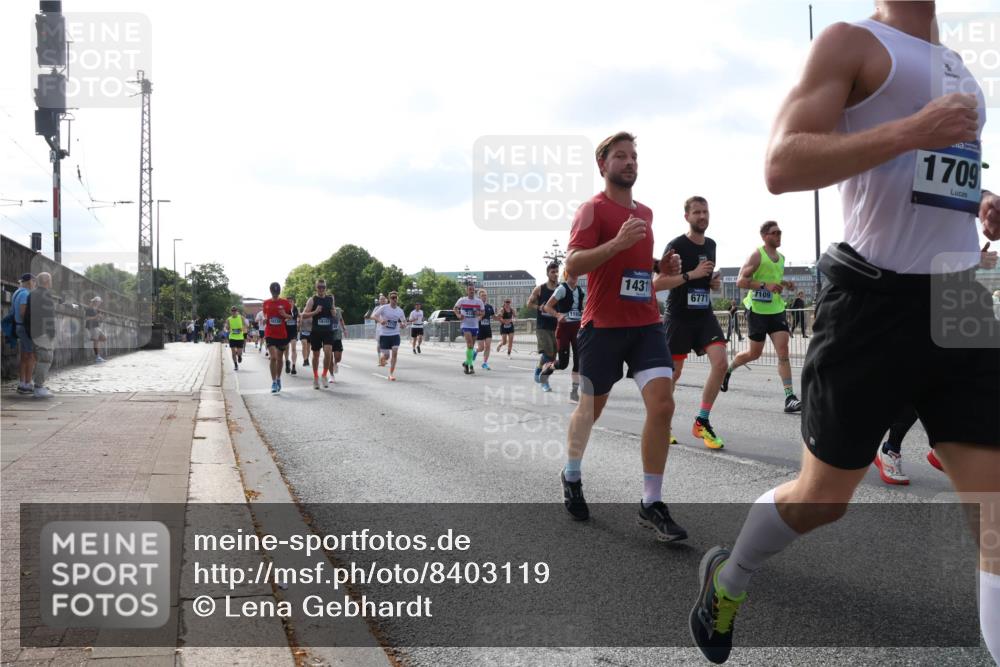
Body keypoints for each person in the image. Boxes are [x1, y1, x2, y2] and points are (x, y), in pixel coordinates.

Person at [689, 4, 1000, 663]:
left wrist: (978, 204)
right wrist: (913, 129)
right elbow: (782, 163)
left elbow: (926, 181)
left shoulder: (963, 71)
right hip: (872, 300)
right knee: (823, 499)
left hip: (959, 298)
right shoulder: (849, 41)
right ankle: (730, 575)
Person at [560, 131, 685, 543]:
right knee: (589, 411)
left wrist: (658, 263)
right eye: (620, 156)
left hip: (646, 322)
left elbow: (638, 265)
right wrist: (617, 242)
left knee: (663, 404)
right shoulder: (591, 211)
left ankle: (651, 502)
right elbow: (572, 267)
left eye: (633, 156)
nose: (630, 162)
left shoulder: (645, 213)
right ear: (603, 165)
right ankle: (572, 474)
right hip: (603, 327)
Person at [658, 196, 727, 450]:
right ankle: (661, 423)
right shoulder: (676, 245)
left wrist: (711, 282)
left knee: (721, 363)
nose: (702, 216)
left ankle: (702, 421)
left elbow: (704, 281)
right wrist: (692, 275)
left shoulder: (711, 245)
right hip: (679, 318)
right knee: (673, 374)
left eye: (705, 211)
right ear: (686, 216)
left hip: (704, 316)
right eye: (697, 212)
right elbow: (658, 283)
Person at [720, 221, 802, 413]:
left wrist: (784, 283)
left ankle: (790, 397)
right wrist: (765, 286)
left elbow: (773, 280)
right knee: (754, 353)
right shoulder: (757, 255)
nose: (779, 235)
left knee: (783, 351)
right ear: (765, 236)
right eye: (775, 233)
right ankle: (728, 370)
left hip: (776, 309)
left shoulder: (781, 258)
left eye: (780, 232)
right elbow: (741, 281)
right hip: (756, 310)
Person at [543, 269, 586, 402]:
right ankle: (548, 368)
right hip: (564, 329)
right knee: (563, 364)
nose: (574, 276)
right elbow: (547, 307)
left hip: (577, 328)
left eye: (576, 274)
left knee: (579, 362)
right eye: (572, 274)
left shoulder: (580, 290)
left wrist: (584, 313)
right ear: (567, 275)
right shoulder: (561, 289)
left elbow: (580, 308)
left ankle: (574, 392)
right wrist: (557, 315)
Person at [528, 262, 560, 391]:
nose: (555, 274)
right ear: (548, 273)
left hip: (556, 326)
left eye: (557, 271)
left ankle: (538, 370)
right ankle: (544, 382)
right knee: (548, 353)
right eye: (553, 271)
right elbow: (529, 303)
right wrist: (538, 307)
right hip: (542, 326)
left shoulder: (561, 288)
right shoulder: (540, 289)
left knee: (552, 356)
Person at [27, 272, 56, 398]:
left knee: (40, 358)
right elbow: (49, 316)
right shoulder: (46, 295)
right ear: (46, 282)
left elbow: (27, 315)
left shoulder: (32, 293)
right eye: (50, 280)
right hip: (43, 332)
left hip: (34, 331)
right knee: (45, 358)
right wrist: (51, 332)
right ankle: (38, 387)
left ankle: (39, 385)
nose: (51, 283)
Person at [303, 280, 337, 389]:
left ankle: (324, 375)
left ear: (326, 287)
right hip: (316, 332)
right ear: (316, 287)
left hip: (328, 331)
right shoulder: (312, 300)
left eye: (323, 287)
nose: (321, 289)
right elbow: (303, 315)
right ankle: (316, 377)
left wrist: (333, 312)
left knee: (328, 353)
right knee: (316, 356)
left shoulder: (330, 299)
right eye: (319, 287)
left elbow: (334, 313)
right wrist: (315, 312)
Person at [262, 282, 292, 393]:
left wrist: (285, 315)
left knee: (280, 359)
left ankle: (279, 378)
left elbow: (291, 317)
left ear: (279, 292)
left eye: (277, 292)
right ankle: (274, 382)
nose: (275, 294)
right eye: (274, 292)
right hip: (269, 333)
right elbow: (265, 315)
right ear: (271, 291)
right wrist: (265, 319)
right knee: (273, 357)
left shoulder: (285, 303)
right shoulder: (266, 303)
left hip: (281, 334)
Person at [372, 291, 407, 380]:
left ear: (397, 299)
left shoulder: (400, 310)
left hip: (395, 334)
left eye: (396, 297)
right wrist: (381, 321)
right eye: (392, 298)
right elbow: (374, 316)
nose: (394, 299)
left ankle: (391, 374)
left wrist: (403, 325)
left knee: (395, 353)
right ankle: (382, 359)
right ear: (389, 299)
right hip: (384, 334)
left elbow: (404, 321)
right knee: (387, 356)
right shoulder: (384, 308)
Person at [12, 273, 36, 394]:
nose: (35, 284)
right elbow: (23, 313)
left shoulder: (17, 292)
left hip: (18, 326)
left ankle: (22, 382)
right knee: (30, 355)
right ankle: (27, 383)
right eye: (34, 281)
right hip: (25, 328)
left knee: (24, 356)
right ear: (30, 281)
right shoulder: (25, 294)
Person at [453, 283, 485, 375]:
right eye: (470, 289)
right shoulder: (462, 300)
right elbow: (455, 308)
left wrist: (479, 316)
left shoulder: (479, 301)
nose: (471, 291)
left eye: (473, 289)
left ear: (474, 291)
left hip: (475, 326)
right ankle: (471, 366)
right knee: (470, 345)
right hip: (465, 325)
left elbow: (483, 313)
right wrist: (458, 315)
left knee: (470, 347)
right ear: (467, 291)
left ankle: (466, 363)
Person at [476, 288, 495, 370]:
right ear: (479, 297)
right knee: (481, 348)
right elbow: (475, 318)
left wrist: (501, 317)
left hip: (488, 329)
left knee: (488, 346)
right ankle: (475, 351)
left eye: (485, 296)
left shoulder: (489, 307)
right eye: (482, 296)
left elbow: (494, 317)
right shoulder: (477, 307)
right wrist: (480, 317)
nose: (484, 297)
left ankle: (485, 363)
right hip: (480, 329)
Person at [85, 296, 107, 362]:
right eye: (99, 302)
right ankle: (98, 357)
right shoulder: (89, 309)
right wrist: (96, 316)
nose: (100, 303)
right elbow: (87, 318)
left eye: (100, 302)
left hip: (97, 327)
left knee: (104, 338)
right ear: (96, 302)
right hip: (92, 327)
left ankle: (93, 339)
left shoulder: (96, 309)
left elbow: (98, 318)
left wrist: (100, 317)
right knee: (96, 342)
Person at [224, 306, 247, 371]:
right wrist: (227, 329)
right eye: (232, 311)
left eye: (235, 311)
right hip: (232, 337)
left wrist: (242, 329)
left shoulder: (241, 317)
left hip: (240, 337)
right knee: (233, 352)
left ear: (237, 311)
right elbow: (226, 327)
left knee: (239, 352)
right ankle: (235, 365)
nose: (234, 312)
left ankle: (239, 356)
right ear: (231, 312)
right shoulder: (229, 319)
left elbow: (246, 325)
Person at [283, 301, 299, 375]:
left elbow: (295, 317)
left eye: (291, 302)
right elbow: (283, 319)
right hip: (285, 332)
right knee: (286, 348)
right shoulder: (284, 310)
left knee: (293, 348)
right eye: (288, 302)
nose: (290, 303)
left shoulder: (295, 310)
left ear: (293, 302)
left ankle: (293, 366)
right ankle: (287, 361)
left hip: (293, 332)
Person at [299, 302, 312, 369]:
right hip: (303, 332)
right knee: (304, 345)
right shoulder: (302, 315)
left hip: (310, 332)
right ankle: (305, 360)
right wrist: (301, 318)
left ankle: (307, 359)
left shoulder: (312, 314)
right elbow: (300, 325)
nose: (307, 308)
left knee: (308, 348)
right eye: (306, 307)